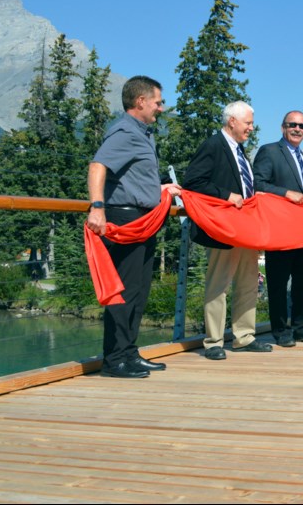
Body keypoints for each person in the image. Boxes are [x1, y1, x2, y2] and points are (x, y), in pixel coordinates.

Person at [86, 76, 181, 379]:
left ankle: (129, 353)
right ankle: (114, 361)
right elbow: (98, 166)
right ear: (141, 102)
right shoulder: (125, 131)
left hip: (143, 220)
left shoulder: (143, 133)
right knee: (123, 291)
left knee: (137, 291)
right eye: (158, 102)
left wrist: (164, 189)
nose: (161, 108)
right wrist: (97, 207)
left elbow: (135, 179)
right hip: (125, 220)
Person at [182, 101, 273, 360]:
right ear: (232, 121)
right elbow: (193, 182)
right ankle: (213, 342)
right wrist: (226, 195)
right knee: (218, 285)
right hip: (223, 228)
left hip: (245, 227)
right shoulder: (213, 146)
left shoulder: (239, 149)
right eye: (248, 123)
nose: (252, 128)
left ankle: (244, 336)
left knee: (247, 282)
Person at [253, 110, 303, 347]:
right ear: (283, 127)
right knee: (277, 281)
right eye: (293, 124)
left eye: (302, 126)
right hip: (281, 228)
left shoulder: (302, 157)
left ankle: (302, 327)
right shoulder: (270, 151)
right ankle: (281, 329)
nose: (298, 129)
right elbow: (259, 184)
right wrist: (286, 193)